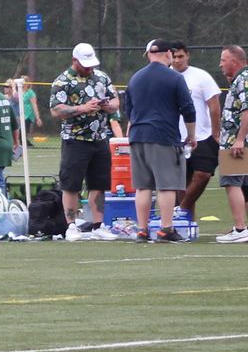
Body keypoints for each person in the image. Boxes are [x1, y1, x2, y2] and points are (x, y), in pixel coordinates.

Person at [126, 38, 197, 243]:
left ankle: (142, 230)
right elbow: (188, 109)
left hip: (137, 136)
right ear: (168, 55)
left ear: (150, 55)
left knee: (142, 186)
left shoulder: (135, 78)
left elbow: (128, 110)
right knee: (166, 185)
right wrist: (191, 136)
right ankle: (166, 229)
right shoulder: (174, 78)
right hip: (163, 136)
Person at [50, 43, 121, 239]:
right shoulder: (62, 81)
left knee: (99, 184)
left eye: (91, 64)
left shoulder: (102, 77)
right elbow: (56, 110)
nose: (89, 68)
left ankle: (99, 225)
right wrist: (82, 108)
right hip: (75, 139)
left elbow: (116, 102)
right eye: (84, 64)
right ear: (74, 60)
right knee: (71, 185)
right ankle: (71, 226)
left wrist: (107, 106)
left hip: (99, 138)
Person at [170, 42, 223, 221]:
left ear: (187, 55)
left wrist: (215, 132)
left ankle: (181, 210)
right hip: (174, 137)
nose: (177, 61)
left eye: (180, 56)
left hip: (202, 136)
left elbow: (214, 106)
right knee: (181, 183)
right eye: (174, 57)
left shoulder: (201, 76)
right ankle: (186, 225)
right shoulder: (165, 76)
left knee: (203, 175)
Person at [215, 45, 248, 244]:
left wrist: (239, 138)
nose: (220, 64)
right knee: (244, 186)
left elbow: (247, 110)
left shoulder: (243, 79)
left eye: (223, 59)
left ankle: (239, 228)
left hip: (235, 143)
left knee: (232, 182)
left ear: (234, 61)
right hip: (237, 141)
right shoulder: (240, 79)